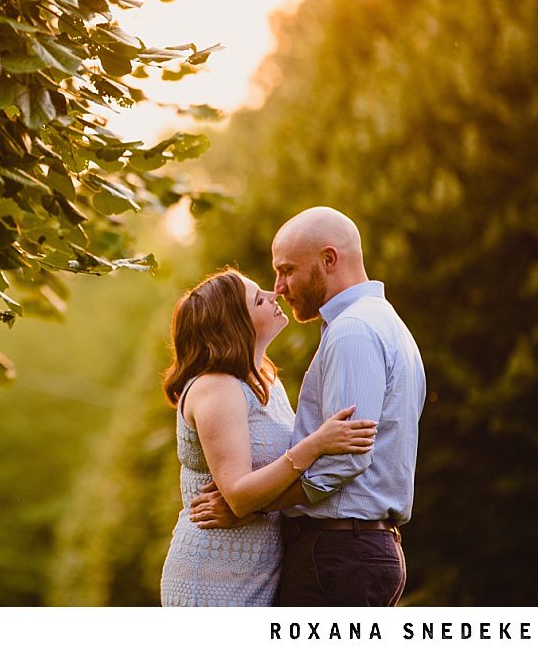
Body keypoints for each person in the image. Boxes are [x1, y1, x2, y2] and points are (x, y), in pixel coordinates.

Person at [190, 207, 427, 606]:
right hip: (351, 550)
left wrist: (253, 508)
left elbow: (345, 459)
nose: (279, 287)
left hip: (337, 554)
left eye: (287, 270)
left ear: (329, 259)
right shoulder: (382, 322)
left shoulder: (354, 331)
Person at [158, 267, 377, 607]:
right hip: (216, 573)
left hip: (259, 570)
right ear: (235, 325)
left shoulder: (266, 383)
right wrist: (316, 444)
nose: (274, 295)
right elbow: (239, 497)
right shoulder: (216, 388)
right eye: (259, 299)